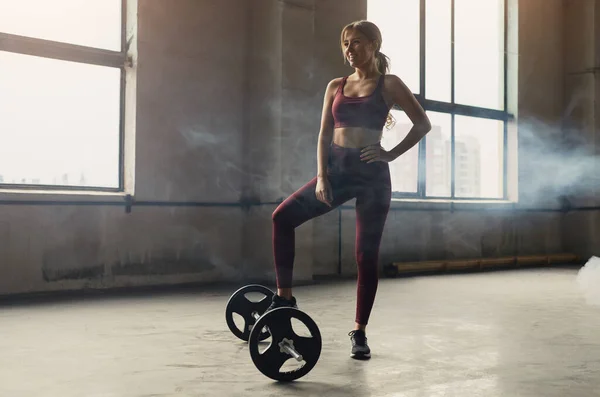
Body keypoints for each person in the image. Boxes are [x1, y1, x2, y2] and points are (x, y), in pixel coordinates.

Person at [267, 20, 431, 359]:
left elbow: (423, 123)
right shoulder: (335, 86)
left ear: (373, 45)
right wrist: (322, 176)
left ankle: (359, 332)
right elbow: (324, 135)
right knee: (282, 218)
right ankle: (284, 300)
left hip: (372, 176)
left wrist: (390, 153)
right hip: (337, 171)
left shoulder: (389, 84)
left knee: (365, 256)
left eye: (356, 42)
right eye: (345, 44)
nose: (349, 49)